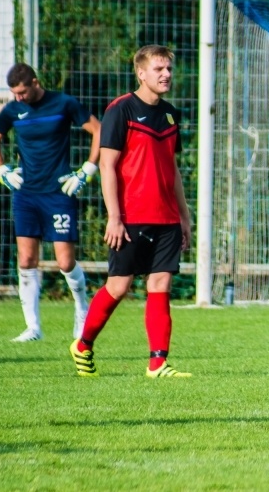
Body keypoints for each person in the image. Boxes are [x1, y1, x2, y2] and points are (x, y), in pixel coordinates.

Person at [69, 45, 192, 378]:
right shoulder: (120, 110)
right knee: (119, 287)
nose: (166, 74)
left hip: (166, 216)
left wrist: (184, 216)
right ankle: (83, 344)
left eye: (168, 69)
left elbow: (173, 168)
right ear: (141, 73)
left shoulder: (170, 114)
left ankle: (157, 363)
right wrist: (114, 216)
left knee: (160, 284)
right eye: (158, 69)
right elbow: (107, 166)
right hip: (131, 215)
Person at [0, 63, 101, 342]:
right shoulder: (13, 110)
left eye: (23, 92)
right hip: (26, 194)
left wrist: (87, 169)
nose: (19, 98)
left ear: (35, 83)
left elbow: (98, 130)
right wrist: (2, 170)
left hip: (59, 192)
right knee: (26, 259)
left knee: (65, 261)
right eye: (15, 93)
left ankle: (82, 310)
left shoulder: (64, 103)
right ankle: (32, 327)